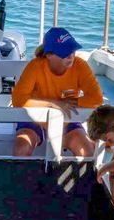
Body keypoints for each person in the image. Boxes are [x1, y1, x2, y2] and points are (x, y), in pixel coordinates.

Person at [11, 27, 104, 157]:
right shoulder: (35, 66)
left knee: (87, 151)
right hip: (33, 120)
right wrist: (54, 103)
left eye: (72, 50)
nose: (70, 56)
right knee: (21, 149)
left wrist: (73, 102)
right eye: (64, 52)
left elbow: (97, 99)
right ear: (49, 55)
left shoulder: (80, 66)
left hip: (67, 120)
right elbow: (18, 100)